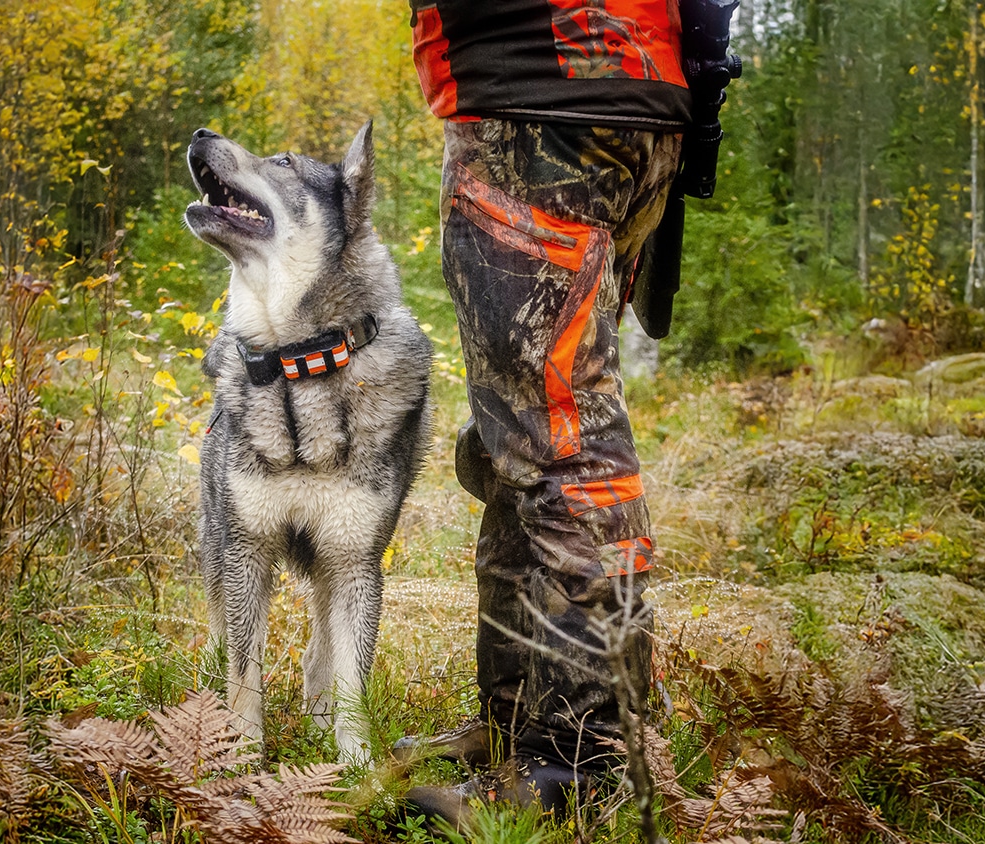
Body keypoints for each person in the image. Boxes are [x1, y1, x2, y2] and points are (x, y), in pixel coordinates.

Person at [396, 0, 691, 827]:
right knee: (520, 437)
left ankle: (581, 764)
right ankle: (516, 726)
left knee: (559, 435)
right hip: (622, 95)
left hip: (540, 99)